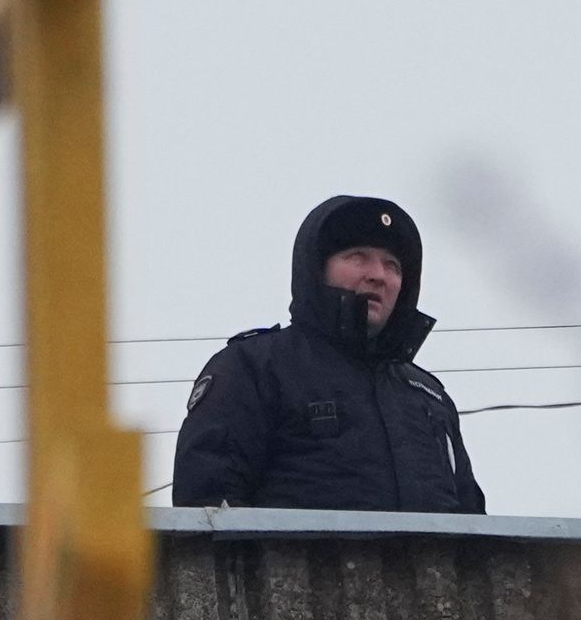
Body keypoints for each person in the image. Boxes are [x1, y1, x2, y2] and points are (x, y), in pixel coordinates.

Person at [169, 193, 488, 513]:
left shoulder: (429, 397)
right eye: (358, 256)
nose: (378, 274)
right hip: (292, 564)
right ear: (316, 270)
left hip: (429, 566)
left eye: (392, 265)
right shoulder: (255, 366)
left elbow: (474, 531)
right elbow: (207, 506)